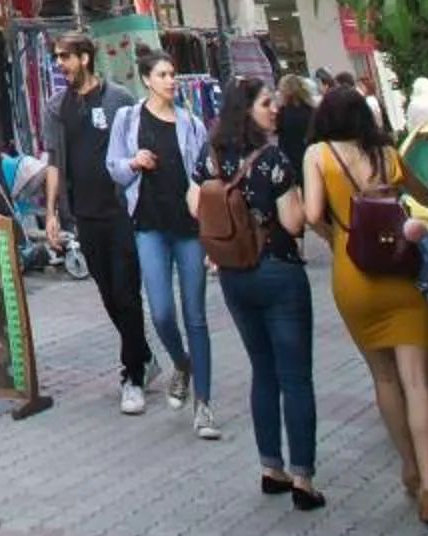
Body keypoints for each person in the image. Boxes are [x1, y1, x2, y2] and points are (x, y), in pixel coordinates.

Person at [303, 83, 428, 527]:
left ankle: (407, 465)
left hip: (355, 277)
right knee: (418, 382)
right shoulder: (386, 154)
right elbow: (427, 198)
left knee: (384, 378)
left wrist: (336, 236)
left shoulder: (318, 156)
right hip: (402, 275)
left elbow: (310, 214)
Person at [206, 78, 321, 509]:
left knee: (263, 370)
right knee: (295, 377)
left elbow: (196, 205)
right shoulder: (273, 160)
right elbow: (293, 223)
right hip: (278, 272)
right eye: (266, 103)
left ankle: (270, 467)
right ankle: (302, 478)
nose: (274, 109)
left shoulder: (212, 156)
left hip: (236, 274)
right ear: (247, 109)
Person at [107, 55, 221, 440]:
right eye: (162, 75)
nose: (171, 80)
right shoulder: (127, 119)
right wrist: (134, 162)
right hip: (149, 226)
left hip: (188, 228)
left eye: (173, 74)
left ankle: (203, 405)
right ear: (146, 80)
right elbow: (114, 167)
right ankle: (181, 363)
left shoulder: (191, 124)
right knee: (160, 311)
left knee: (196, 316)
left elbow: (206, 174)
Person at [43, 34, 154, 413]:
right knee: (109, 295)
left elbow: (136, 149)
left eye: (66, 57)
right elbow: (54, 160)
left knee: (126, 292)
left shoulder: (118, 99)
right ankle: (143, 354)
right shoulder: (57, 106)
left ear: (86, 58)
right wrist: (52, 212)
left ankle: (133, 374)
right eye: (57, 58)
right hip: (85, 214)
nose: (60, 64)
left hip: (121, 211)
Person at [274, 73, 315, 177]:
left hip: (291, 159)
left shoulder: (282, 113)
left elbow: (276, 131)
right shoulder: (312, 110)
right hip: (312, 156)